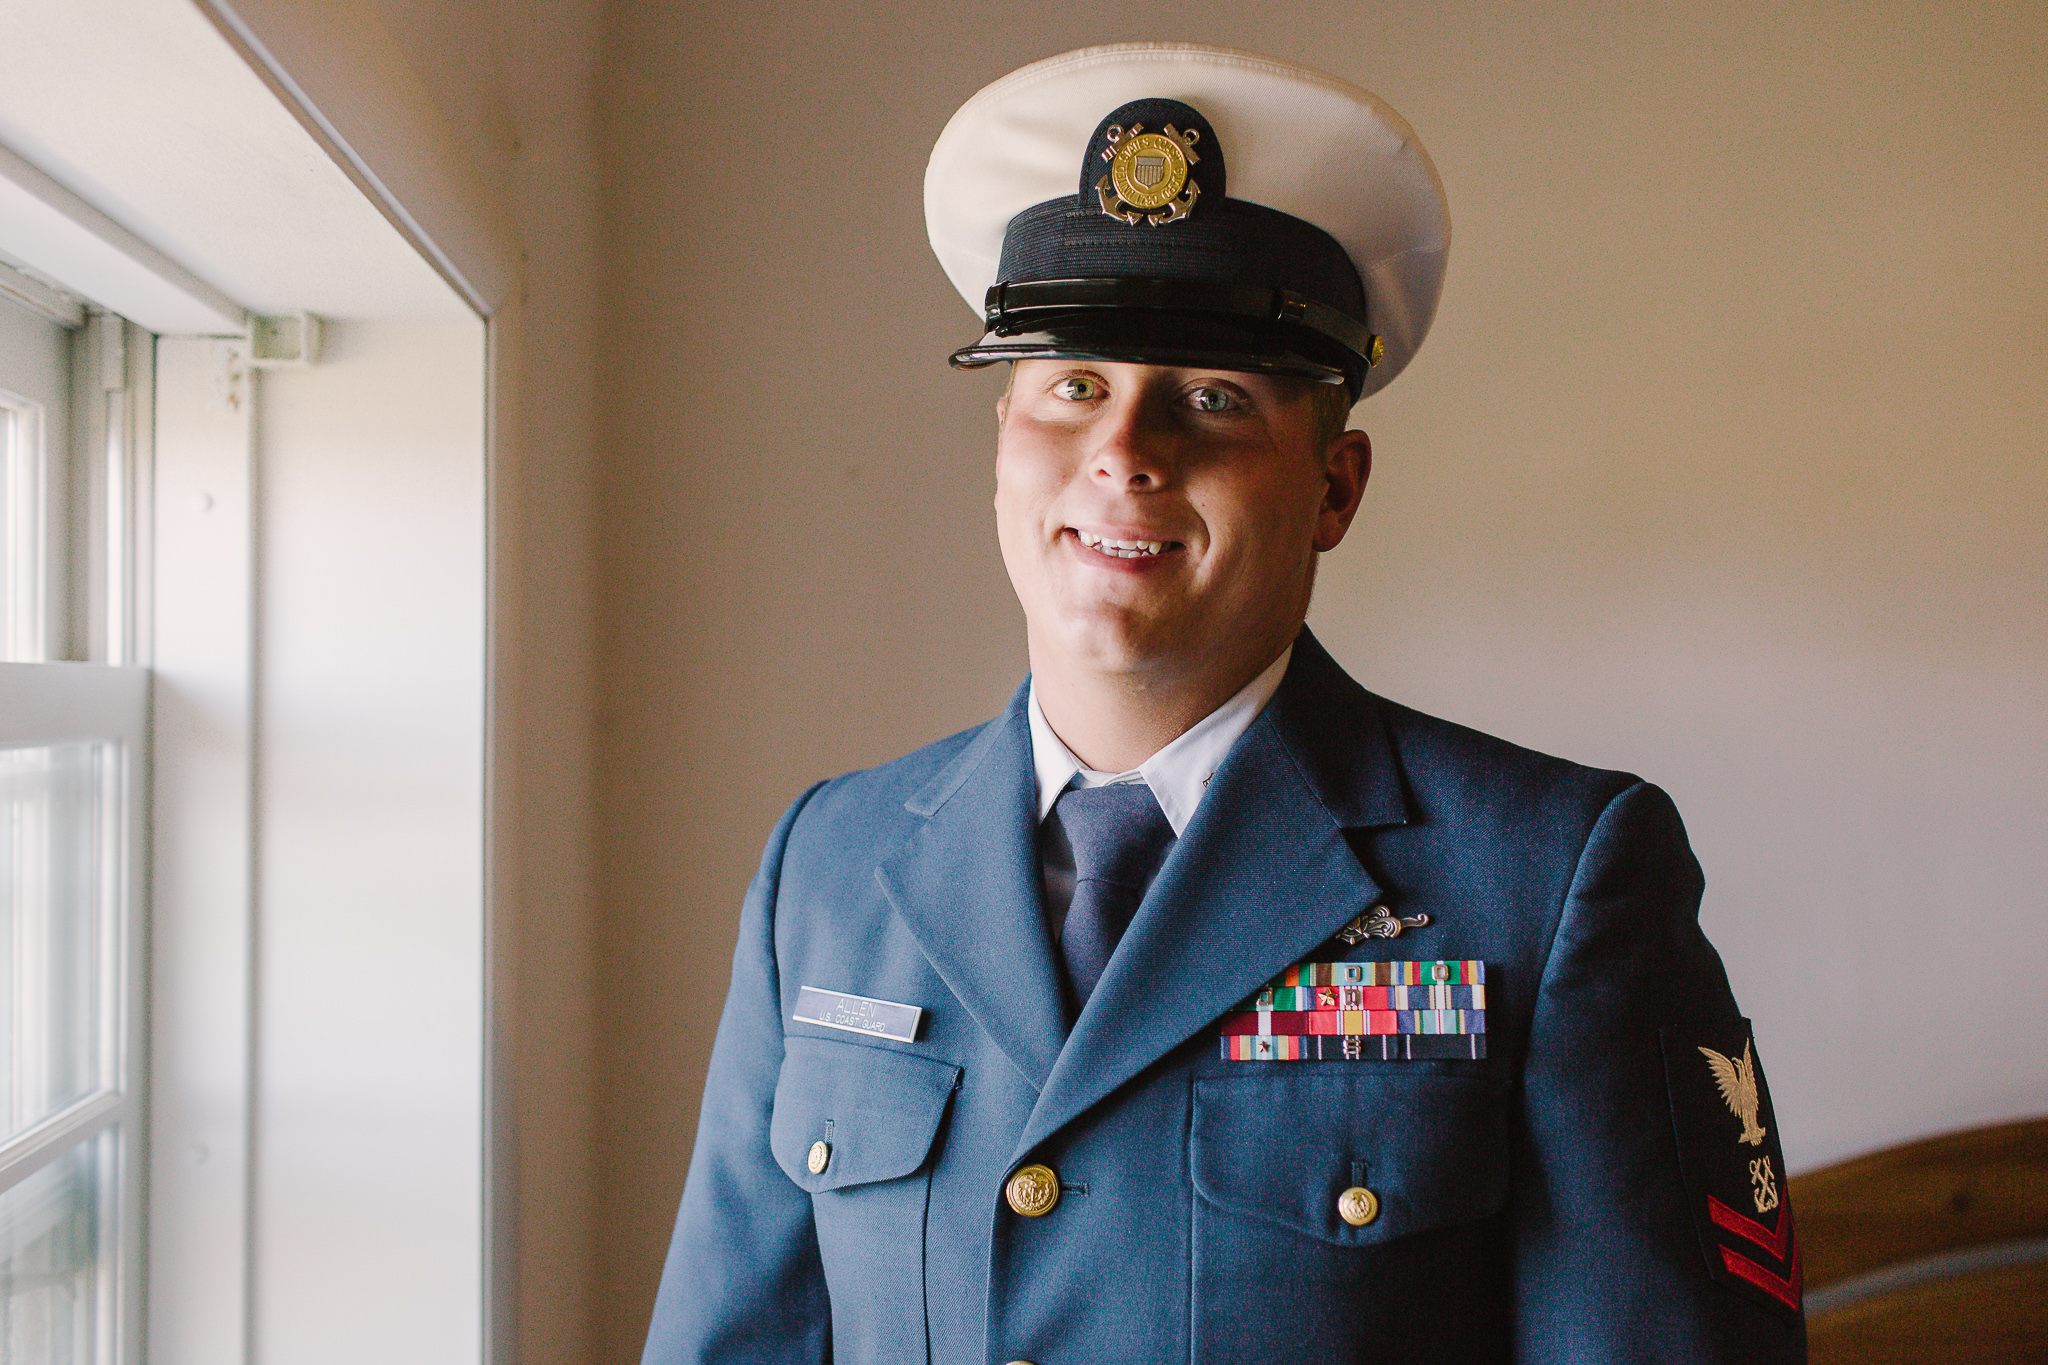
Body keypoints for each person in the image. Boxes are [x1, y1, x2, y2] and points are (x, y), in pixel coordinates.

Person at [642, 42, 1805, 1365]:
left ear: (1336, 488)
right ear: (1004, 444)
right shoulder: (827, 872)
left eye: (1212, 399)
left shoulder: (1550, 879)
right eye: (1074, 385)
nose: (1125, 452)